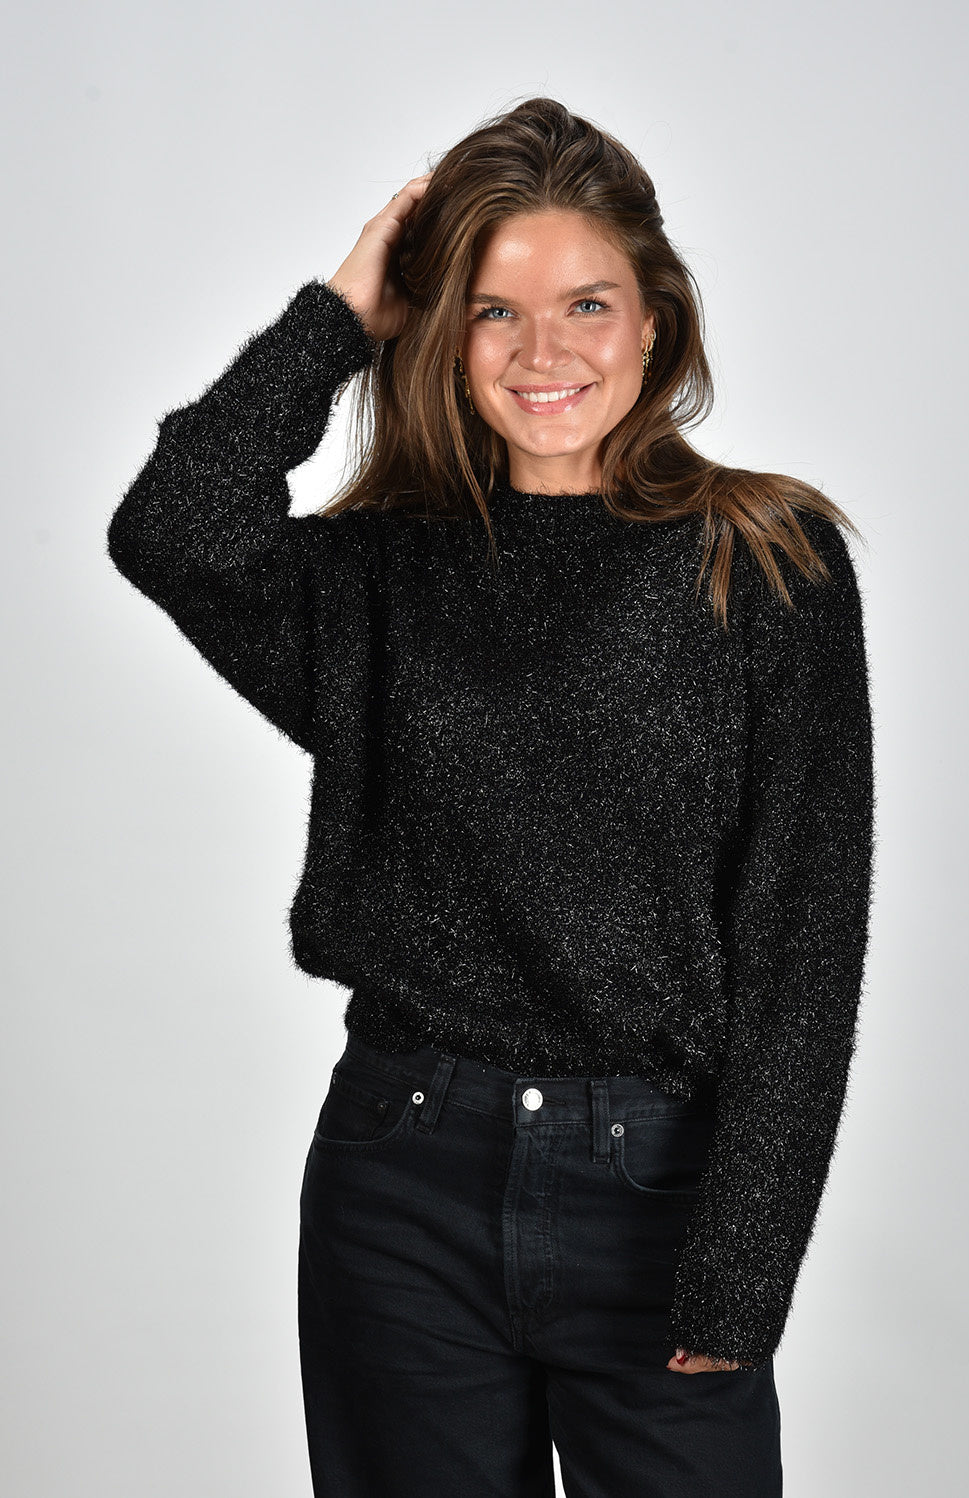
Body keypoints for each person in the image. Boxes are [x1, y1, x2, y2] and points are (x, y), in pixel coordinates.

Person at [106, 97, 875, 1498]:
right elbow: (172, 528)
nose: (543, 352)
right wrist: (340, 318)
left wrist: (742, 1268)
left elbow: (805, 942)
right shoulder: (384, 575)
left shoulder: (768, 562)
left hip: (662, 1191)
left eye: (586, 304)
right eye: (493, 312)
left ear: (655, 322)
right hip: (405, 1179)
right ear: (444, 337)